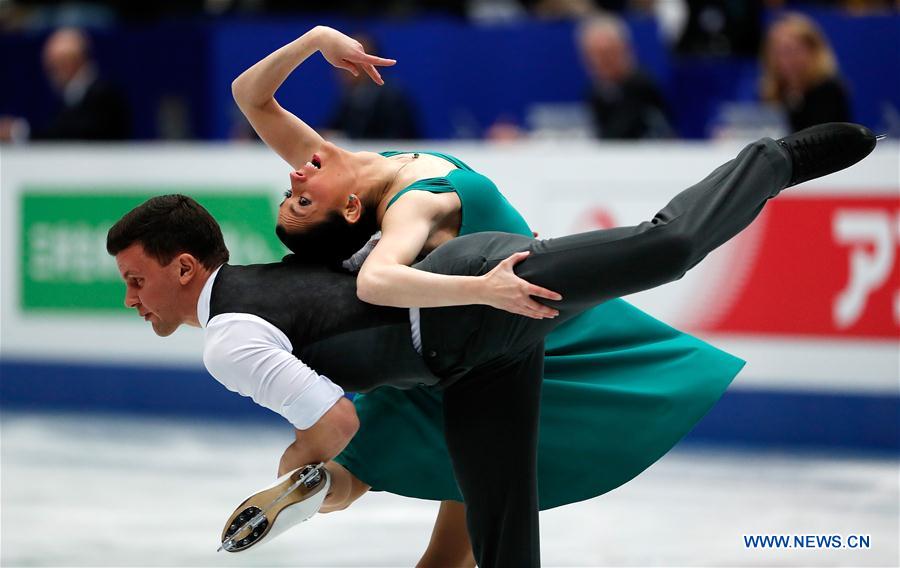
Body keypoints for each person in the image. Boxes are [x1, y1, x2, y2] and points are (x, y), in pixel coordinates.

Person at [107, 111, 877, 567]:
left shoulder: (227, 339)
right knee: (503, 531)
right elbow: (337, 410)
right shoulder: (266, 276)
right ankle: (332, 491)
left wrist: (303, 466)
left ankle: (770, 160)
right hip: (463, 363)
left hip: (479, 290)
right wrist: (305, 474)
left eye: (137, 280)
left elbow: (336, 422)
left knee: (663, 248)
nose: (131, 299)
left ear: (184, 267)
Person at [0, 27, 131, 143]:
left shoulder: (103, 95)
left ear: (71, 62)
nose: (51, 75)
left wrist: (19, 131)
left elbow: (71, 135)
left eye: (53, 67)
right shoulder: (72, 95)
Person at [576, 15, 672, 140]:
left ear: (625, 50)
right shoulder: (595, 92)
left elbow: (617, 137)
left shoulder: (641, 86)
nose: (602, 61)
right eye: (594, 55)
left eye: (607, 53)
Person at [760, 12, 852, 133]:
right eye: (778, 52)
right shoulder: (778, 90)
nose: (785, 59)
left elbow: (820, 137)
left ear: (813, 51)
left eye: (791, 50)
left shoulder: (828, 90)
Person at [325, 33, 421, 140]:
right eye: (342, 60)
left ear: (370, 62)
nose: (341, 68)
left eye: (351, 60)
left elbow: (399, 138)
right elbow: (334, 131)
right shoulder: (350, 99)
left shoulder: (391, 97)